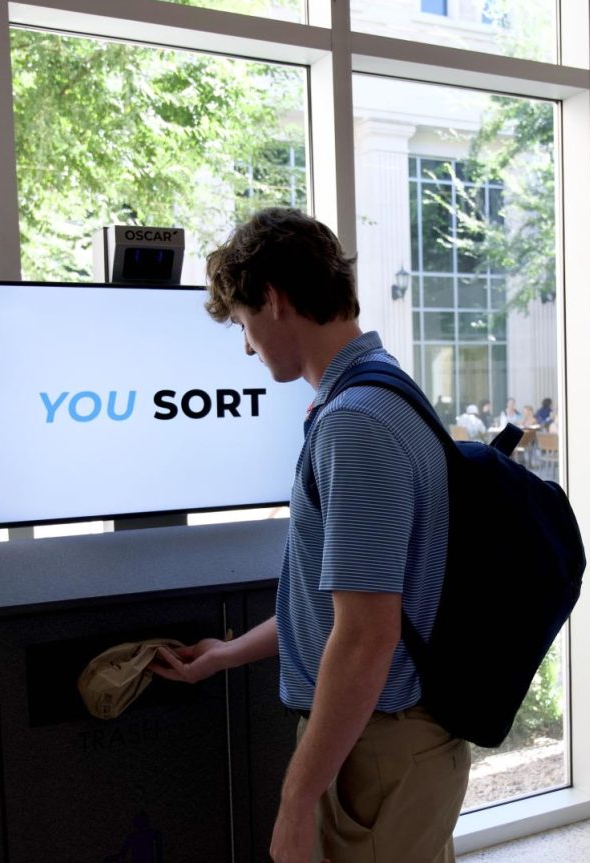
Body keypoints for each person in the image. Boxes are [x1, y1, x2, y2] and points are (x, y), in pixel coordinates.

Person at [150, 207, 469, 863]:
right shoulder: (385, 392)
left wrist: (296, 801)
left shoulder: (355, 425)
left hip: (376, 753)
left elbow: (366, 636)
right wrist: (226, 653)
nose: (246, 346)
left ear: (272, 299)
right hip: (385, 744)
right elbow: (346, 612)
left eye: (243, 323)